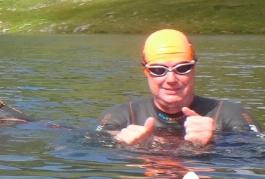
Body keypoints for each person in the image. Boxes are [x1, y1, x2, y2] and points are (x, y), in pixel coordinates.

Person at [97, 29, 261, 145]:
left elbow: (257, 155)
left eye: (182, 69)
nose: (171, 79)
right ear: (146, 72)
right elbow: (92, 152)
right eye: (158, 70)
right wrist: (119, 145)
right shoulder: (122, 117)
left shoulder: (228, 115)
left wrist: (214, 142)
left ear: (194, 68)